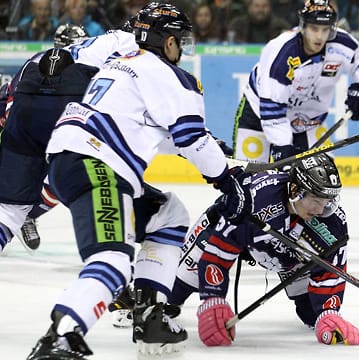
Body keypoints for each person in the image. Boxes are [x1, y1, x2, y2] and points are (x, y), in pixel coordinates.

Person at [26, 2, 252, 359]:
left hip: (74, 159)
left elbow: (150, 131)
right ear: (167, 42)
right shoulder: (171, 76)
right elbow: (191, 138)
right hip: (98, 167)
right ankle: (61, 337)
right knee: (114, 260)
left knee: (168, 214)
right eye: (180, 40)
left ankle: (150, 314)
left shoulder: (122, 62)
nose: (182, 48)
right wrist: (227, 178)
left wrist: (210, 148)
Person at [167, 153, 359, 346]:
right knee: (173, 294)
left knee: (312, 314)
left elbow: (329, 273)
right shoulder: (256, 201)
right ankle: (147, 297)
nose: (321, 210)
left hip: (285, 254)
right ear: (295, 190)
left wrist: (328, 313)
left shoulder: (332, 223)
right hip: (226, 231)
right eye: (316, 200)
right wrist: (213, 299)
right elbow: (218, 254)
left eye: (327, 201)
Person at [232, 0, 359, 163]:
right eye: (314, 29)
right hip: (259, 114)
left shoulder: (340, 42)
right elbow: (272, 109)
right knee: (248, 181)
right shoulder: (282, 52)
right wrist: (284, 148)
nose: (319, 36)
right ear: (303, 27)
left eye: (325, 30)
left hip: (309, 121)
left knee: (320, 179)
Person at [0, 23, 89, 252]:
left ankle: (24, 216)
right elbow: (13, 97)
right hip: (28, 136)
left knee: (55, 184)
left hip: (54, 136)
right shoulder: (39, 62)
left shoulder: (86, 66)